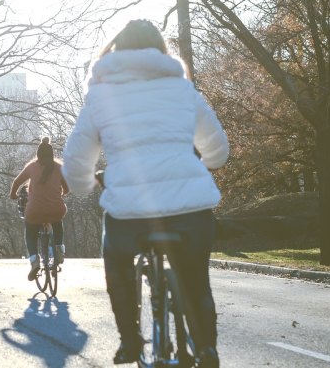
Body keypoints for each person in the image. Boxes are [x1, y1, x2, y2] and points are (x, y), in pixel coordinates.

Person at [61, 19, 229, 367]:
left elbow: (76, 160)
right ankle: (207, 349)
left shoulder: (100, 94)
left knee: (118, 267)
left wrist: (86, 184)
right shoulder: (183, 90)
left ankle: (131, 343)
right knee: (197, 281)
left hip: (130, 214)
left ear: (116, 50)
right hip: (191, 210)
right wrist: (206, 163)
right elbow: (217, 148)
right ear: (161, 51)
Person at [9, 137, 70, 281]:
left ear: (38, 155)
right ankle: (59, 249)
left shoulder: (32, 167)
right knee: (57, 222)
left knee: (30, 232)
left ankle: (34, 261)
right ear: (52, 154)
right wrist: (61, 193)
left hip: (35, 211)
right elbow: (67, 188)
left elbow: (17, 182)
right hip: (56, 209)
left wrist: (13, 194)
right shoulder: (59, 167)